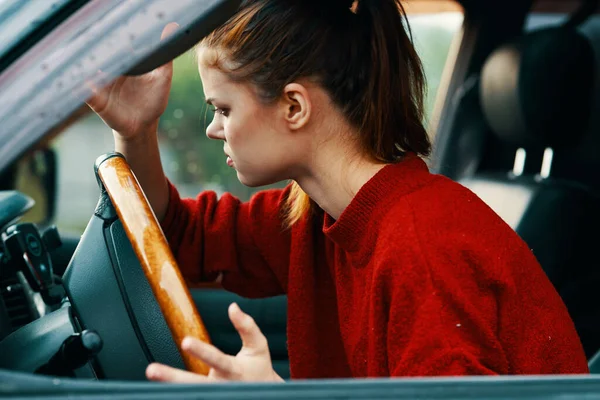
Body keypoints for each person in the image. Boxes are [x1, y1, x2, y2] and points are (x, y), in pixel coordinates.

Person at [87, 0, 589, 383]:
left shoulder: (423, 249)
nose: (214, 130)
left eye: (224, 109)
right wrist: (137, 130)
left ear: (294, 108)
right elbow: (175, 240)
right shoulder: (313, 214)